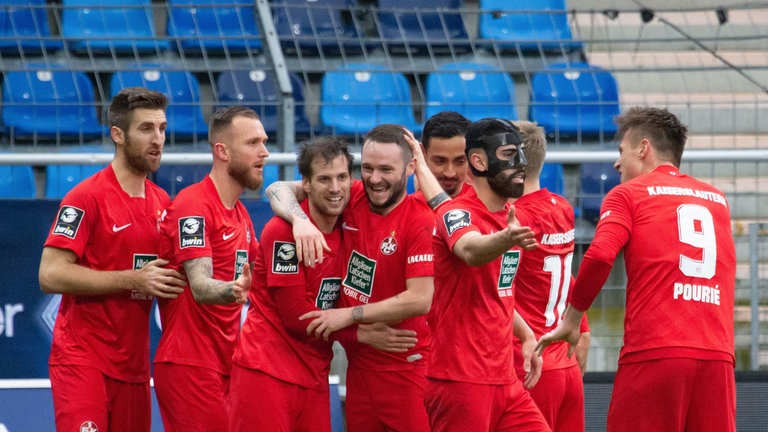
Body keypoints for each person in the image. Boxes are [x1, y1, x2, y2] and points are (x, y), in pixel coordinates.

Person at [536, 107, 736, 432]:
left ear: (643, 149)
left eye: (621, 151)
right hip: (717, 356)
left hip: (655, 352)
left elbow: (600, 256)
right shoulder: (716, 199)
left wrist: (572, 320)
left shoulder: (627, 194)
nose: (617, 163)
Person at [267, 124, 445, 432]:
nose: (375, 179)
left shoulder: (419, 220)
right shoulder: (354, 195)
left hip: (406, 368)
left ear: (411, 168)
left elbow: (420, 299)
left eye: (387, 169)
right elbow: (278, 188)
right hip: (359, 368)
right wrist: (299, 219)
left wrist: (349, 315)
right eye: (368, 168)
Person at [38, 87, 186, 432]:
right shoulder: (85, 197)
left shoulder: (164, 202)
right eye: (146, 129)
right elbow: (50, 273)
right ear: (117, 135)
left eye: (162, 129)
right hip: (82, 361)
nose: (158, 139)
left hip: (134, 368)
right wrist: (133, 280)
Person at [427, 117, 550, 432]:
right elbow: (470, 250)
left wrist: (525, 335)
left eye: (521, 154)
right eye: (510, 155)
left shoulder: (510, 216)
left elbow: (497, 291)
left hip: (505, 380)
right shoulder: (457, 213)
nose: (521, 164)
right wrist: (505, 239)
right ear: (479, 161)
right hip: (461, 380)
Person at [153, 106, 267, 431]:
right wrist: (234, 290)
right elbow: (201, 286)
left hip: (228, 362)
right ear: (222, 151)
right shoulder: (194, 205)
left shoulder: (241, 214)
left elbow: (262, 278)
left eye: (264, 141)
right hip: (189, 364)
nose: (265, 152)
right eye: (253, 143)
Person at [509, 120, 590, 431]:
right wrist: (582, 326)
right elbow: (566, 272)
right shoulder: (561, 207)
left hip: (530, 364)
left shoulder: (516, 219)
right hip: (565, 365)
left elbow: (496, 289)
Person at [420, 111, 473, 199]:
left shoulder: (489, 207)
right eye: (440, 161)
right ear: (422, 153)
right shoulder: (405, 210)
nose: (450, 173)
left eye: (460, 162)